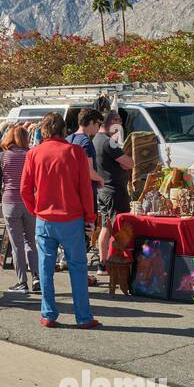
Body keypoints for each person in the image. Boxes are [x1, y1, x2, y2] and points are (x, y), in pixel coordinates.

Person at [21, 113, 99, 329]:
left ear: (43, 130)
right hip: (71, 219)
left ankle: (48, 314)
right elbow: (85, 189)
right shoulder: (75, 152)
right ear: (64, 129)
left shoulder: (34, 153)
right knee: (78, 268)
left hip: (44, 219)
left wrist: (36, 210)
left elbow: (24, 189)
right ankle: (83, 316)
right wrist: (90, 217)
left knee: (45, 267)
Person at [0, 124, 39, 294]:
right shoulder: (31, 155)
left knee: (16, 243)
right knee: (31, 241)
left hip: (10, 201)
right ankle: (37, 277)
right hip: (29, 202)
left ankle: (22, 282)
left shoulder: (2, 156)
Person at [92, 110, 135, 275]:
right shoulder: (109, 142)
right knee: (118, 228)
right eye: (118, 120)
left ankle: (103, 264)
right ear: (111, 122)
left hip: (103, 190)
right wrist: (125, 161)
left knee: (105, 226)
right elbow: (129, 163)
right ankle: (115, 263)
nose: (121, 124)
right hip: (114, 191)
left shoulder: (95, 139)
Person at [68, 109, 106, 281]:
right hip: (85, 196)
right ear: (91, 123)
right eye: (98, 124)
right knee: (84, 236)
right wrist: (100, 178)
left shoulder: (68, 139)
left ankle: (77, 273)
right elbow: (88, 171)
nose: (98, 128)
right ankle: (81, 276)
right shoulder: (86, 142)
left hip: (70, 196)